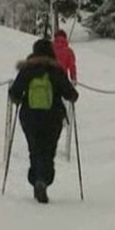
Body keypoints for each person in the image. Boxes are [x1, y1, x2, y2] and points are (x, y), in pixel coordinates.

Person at [9, 39, 79, 203]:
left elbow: (14, 93)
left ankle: (36, 180)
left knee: (34, 149)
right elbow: (71, 93)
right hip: (52, 117)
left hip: (30, 117)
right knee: (48, 151)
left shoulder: (27, 70)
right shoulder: (56, 70)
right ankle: (44, 180)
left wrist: (18, 99)